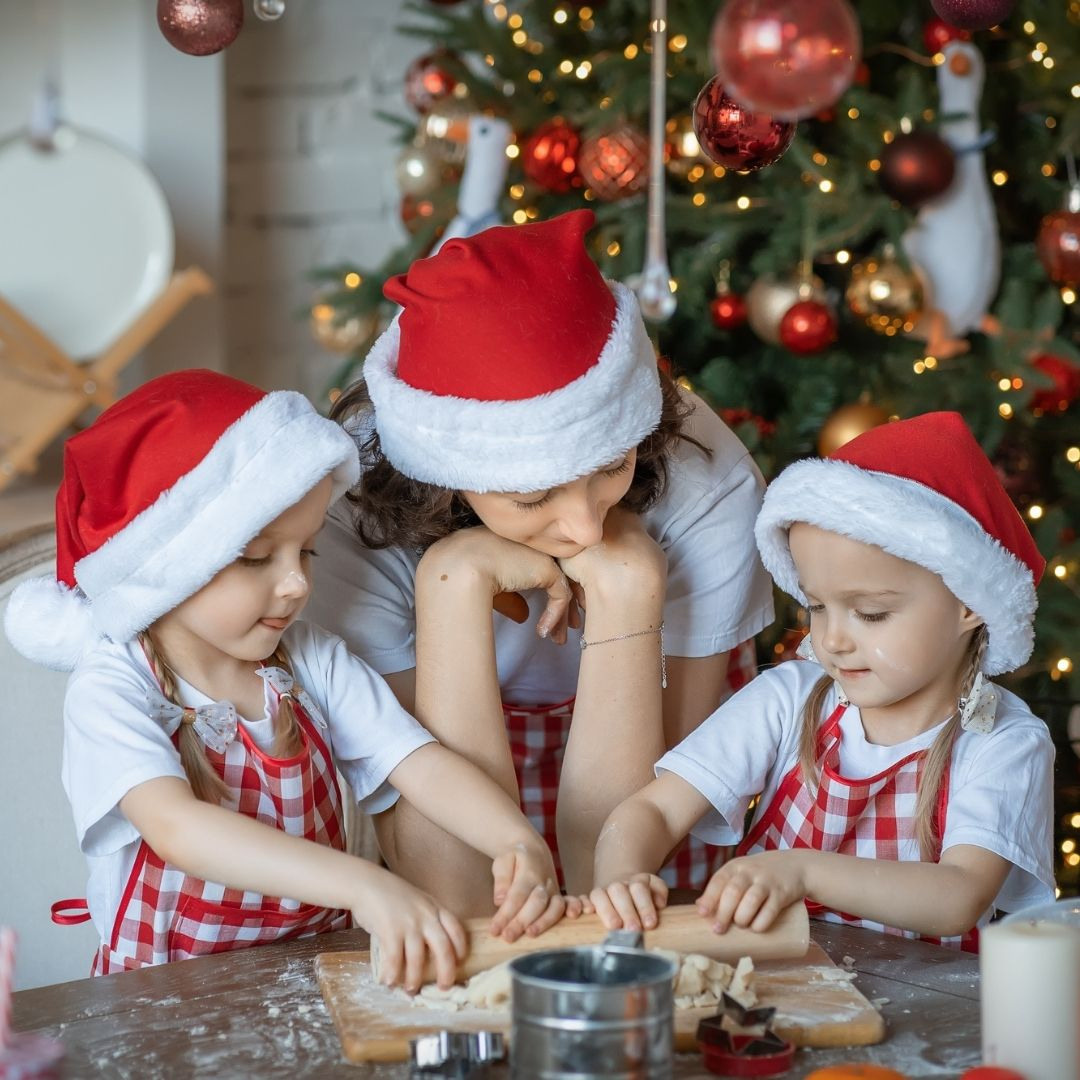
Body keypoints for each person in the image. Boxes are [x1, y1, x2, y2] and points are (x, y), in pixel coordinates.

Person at [4, 370, 566, 987]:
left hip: (314, 978)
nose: (296, 582)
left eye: (306, 551)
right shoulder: (114, 688)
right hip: (164, 998)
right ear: (166, 566)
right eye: (255, 558)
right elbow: (178, 828)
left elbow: (418, 761)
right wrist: (365, 884)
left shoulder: (310, 661)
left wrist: (515, 839)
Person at [309, 209, 775, 906]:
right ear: (440, 477)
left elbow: (636, 848)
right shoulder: (347, 511)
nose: (586, 528)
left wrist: (632, 586)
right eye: (533, 501)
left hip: (644, 773)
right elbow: (457, 890)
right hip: (464, 778)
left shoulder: (709, 483)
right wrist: (452, 583)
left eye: (612, 467)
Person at [588, 411, 1055, 948]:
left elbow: (959, 896)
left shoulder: (1003, 744)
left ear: (971, 602)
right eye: (817, 607)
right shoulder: (788, 700)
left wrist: (803, 872)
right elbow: (651, 810)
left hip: (934, 1014)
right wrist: (623, 878)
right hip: (774, 992)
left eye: (872, 613)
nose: (833, 639)